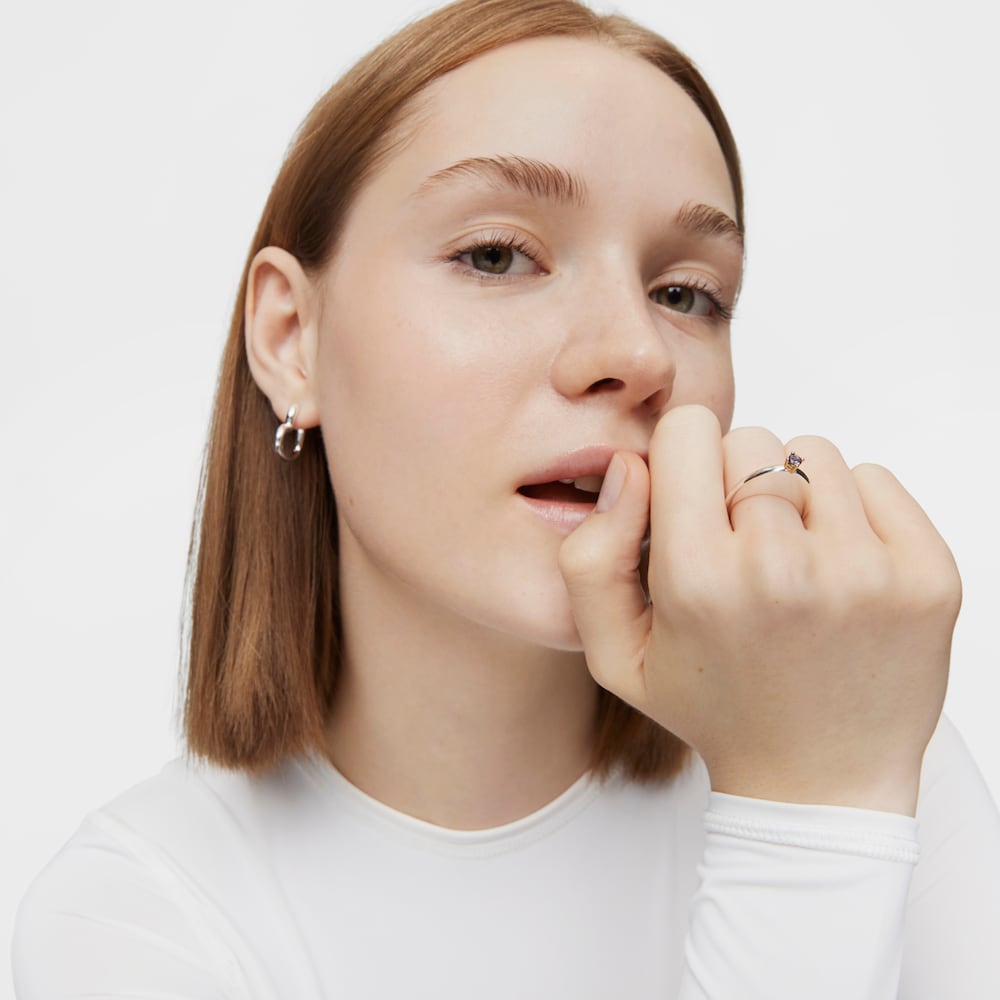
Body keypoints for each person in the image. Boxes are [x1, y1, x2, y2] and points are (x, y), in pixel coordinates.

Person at [12, 0, 1000, 996]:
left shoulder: (854, 738)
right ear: (290, 339)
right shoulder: (137, 915)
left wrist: (818, 797)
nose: (636, 352)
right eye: (495, 255)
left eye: (685, 292)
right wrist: (807, 828)